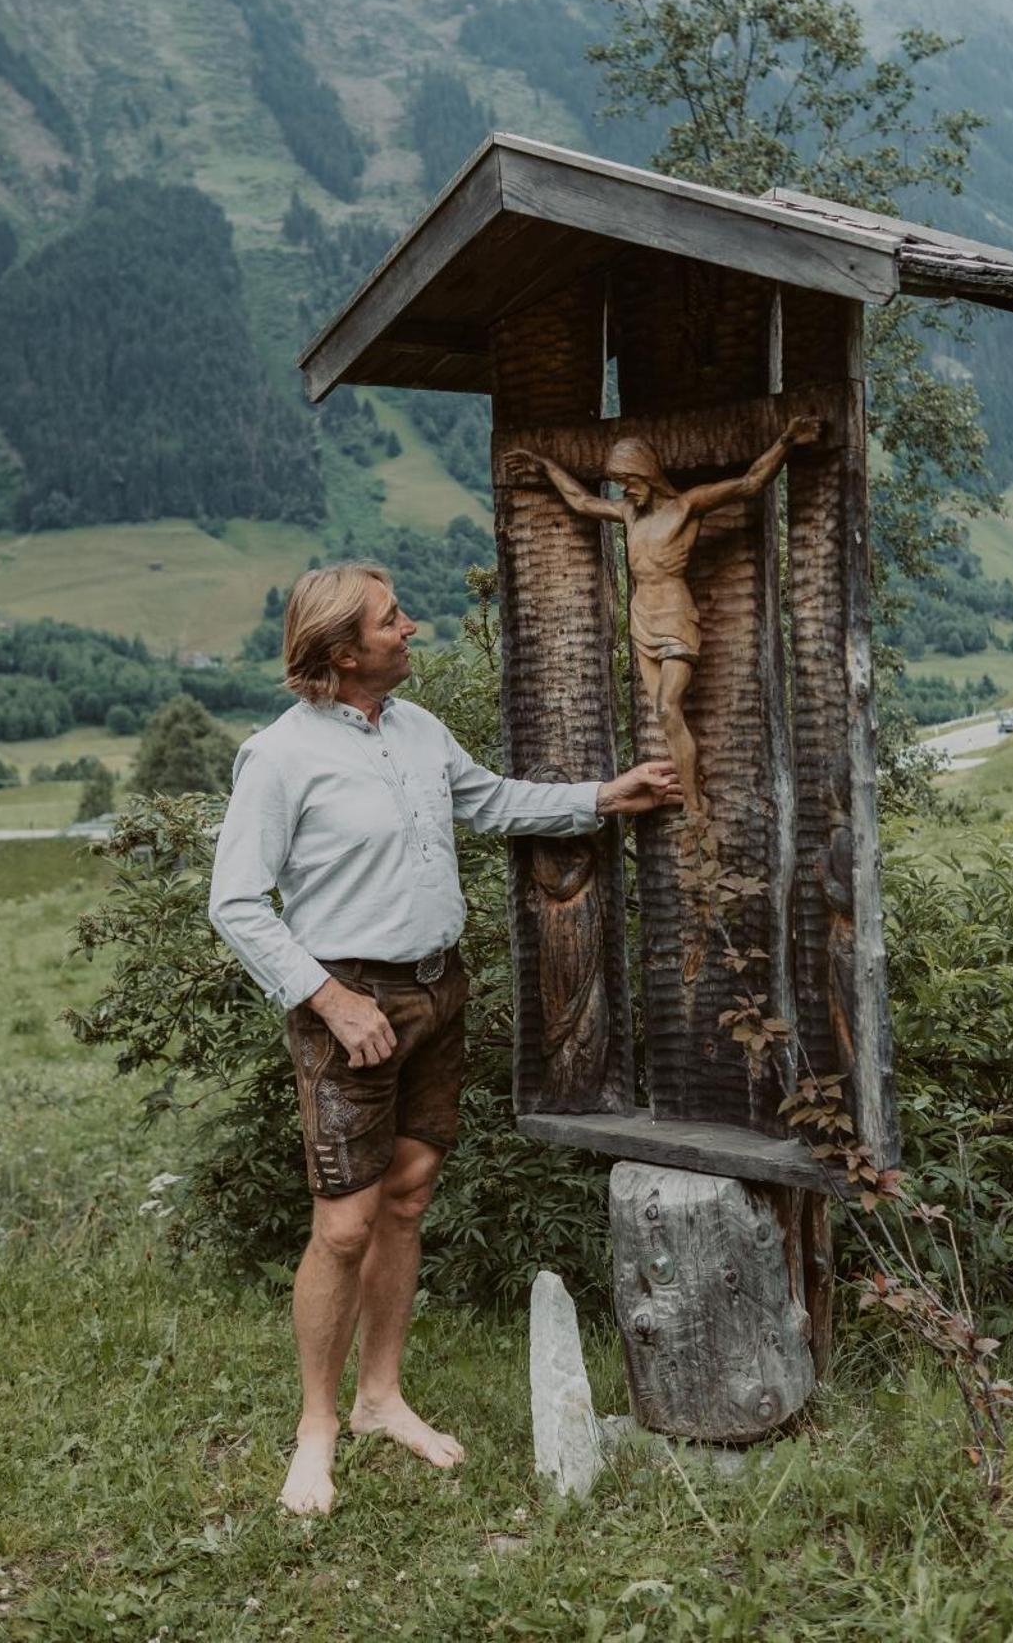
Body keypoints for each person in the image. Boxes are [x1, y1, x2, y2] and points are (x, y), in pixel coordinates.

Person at [208, 561, 680, 1516]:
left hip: (438, 991)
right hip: (351, 1004)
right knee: (343, 1225)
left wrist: (601, 797)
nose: (410, 628)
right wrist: (332, 1000)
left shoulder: (417, 731)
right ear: (342, 652)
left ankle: (381, 1399)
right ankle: (317, 1430)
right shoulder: (281, 756)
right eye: (391, 621)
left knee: (411, 1197)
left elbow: (491, 801)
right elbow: (236, 904)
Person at [507, 416, 823, 817]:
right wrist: (548, 467)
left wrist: (786, 440)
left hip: (675, 614)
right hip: (643, 617)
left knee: (668, 707)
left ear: (646, 473)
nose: (624, 488)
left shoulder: (686, 506)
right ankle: (691, 790)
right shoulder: (629, 513)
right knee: (664, 716)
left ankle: (694, 804)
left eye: (628, 479)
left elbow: (748, 484)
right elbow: (583, 503)